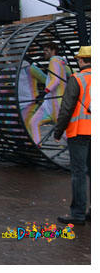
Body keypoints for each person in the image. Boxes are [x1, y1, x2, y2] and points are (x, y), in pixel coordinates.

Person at [54, 45, 91, 226]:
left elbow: (66, 108)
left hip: (80, 132)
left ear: (82, 60)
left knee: (79, 173)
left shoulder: (77, 79)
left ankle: (78, 214)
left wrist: (58, 131)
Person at [28, 42, 71, 146]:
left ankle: (79, 152)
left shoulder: (54, 60)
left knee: (63, 132)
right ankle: (37, 147)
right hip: (50, 102)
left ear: (53, 51)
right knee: (33, 122)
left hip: (55, 103)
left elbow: (55, 80)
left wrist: (44, 92)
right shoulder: (61, 62)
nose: (44, 52)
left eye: (47, 50)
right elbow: (70, 74)